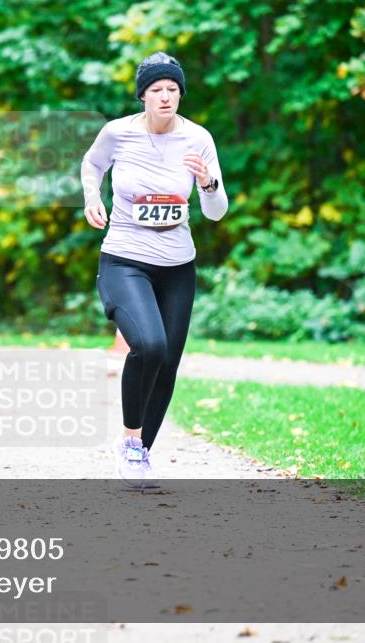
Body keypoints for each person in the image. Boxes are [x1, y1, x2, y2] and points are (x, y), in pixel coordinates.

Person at [81, 52, 229, 488]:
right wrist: (93, 196)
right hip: (125, 258)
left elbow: (217, 212)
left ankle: (141, 453)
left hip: (178, 265)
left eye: (173, 89)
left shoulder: (198, 139)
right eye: (157, 90)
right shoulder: (118, 133)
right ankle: (129, 442)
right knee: (148, 344)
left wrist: (208, 182)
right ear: (143, 95)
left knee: (167, 362)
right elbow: (92, 165)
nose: (166, 97)